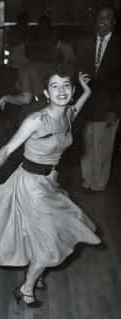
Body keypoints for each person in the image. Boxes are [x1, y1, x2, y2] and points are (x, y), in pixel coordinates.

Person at [0, 64, 101, 307]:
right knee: (51, 241)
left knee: (44, 232)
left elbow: (77, 107)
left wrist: (86, 91)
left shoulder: (67, 114)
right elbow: (8, 148)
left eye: (66, 86)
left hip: (50, 183)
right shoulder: (36, 120)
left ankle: (36, 270)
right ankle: (26, 289)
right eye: (55, 86)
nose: (61, 91)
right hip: (30, 184)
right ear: (46, 93)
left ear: (72, 90)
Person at [77, 5, 121, 191]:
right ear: (95, 20)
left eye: (107, 17)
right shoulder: (85, 43)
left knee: (103, 148)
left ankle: (100, 183)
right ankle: (88, 179)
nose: (103, 21)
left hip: (108, 106)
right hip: (85, 105)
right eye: (100, 17)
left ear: (114, 21)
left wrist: (116, 109)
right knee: (86, 146)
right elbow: (76, 74)